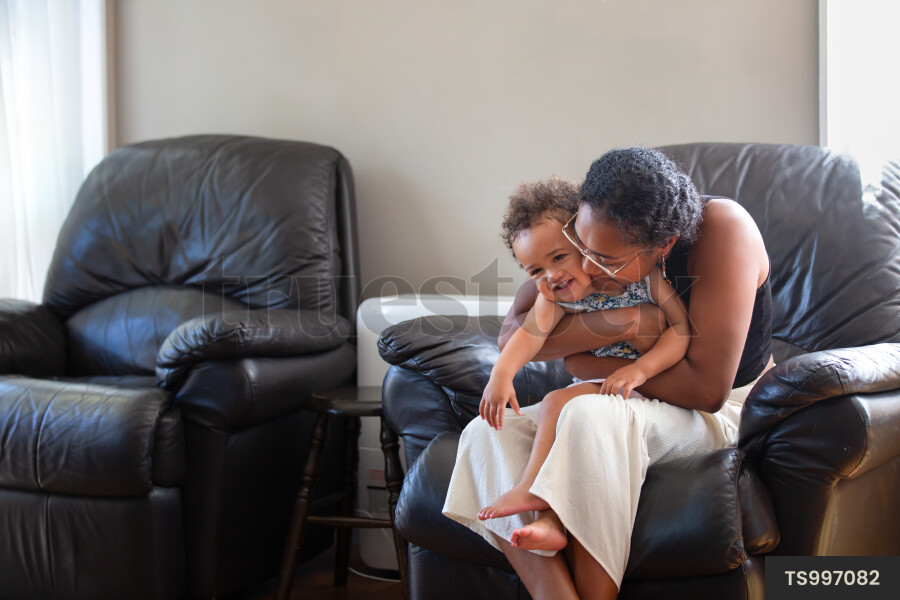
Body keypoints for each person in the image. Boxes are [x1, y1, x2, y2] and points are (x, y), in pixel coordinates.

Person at [442, 146, 773, 600]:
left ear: (664, 247)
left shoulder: (723, 230)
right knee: (487, 433)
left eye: (607, 260)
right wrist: (625, 323)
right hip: (622, 391)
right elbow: (514, 333)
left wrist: (590, 361)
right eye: (580, 245)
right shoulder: (593, 231)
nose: (588, 268)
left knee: (588, 417)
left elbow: (707, 389)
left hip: (719, 411)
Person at [476, 176, 690, 522]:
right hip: (606, 389)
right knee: (564, 416)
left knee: (557, 403)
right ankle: (551, 519)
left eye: (559, 257)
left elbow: (681, 331)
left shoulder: (641, 278)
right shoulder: (554, 297)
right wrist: (502, 374)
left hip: (657, 386)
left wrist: (640, 370)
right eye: (536, 270)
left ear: (588, 244)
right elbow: (528, 335)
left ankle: (531, 490)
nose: (551, 275)